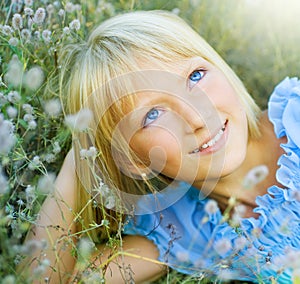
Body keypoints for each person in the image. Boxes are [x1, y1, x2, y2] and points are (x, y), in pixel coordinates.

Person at [20, 10, 300, 283]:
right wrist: (82, 151)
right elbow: (49, 277)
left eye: (195, 76)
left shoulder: (296, 116)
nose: (197, 117)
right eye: (152, 115)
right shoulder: (186, 230)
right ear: (134, 160)